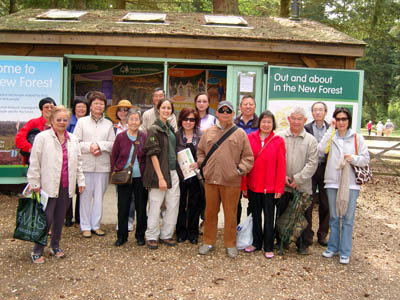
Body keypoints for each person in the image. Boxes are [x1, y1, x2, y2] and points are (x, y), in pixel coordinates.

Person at [28, 105, 85, 263]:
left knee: (60, 218)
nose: (62, 122)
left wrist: (81, 180)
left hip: (66, 185)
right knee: (45, 218)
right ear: (51, 120)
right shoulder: (42, 138)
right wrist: (34, 182)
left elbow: (79, 162)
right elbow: (34, 161)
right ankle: (37, 250)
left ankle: (55, 245)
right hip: (47, 185)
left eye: (65, 120)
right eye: (58, 120)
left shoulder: (73, 139)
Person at [197, 101, 254, 258]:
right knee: (210, 213)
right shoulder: (208, 132)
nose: (224, 114)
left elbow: (248, 157)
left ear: (232, 114)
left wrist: (239, 170)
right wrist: (204, 166)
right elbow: (200, 151)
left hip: (231, 182)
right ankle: (208, 241)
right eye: (221, 111)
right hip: (211, 181)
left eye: (228, 111)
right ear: (217, 113)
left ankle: (230, 244)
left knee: (231, 214)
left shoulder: (240, 133)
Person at [319, 107, 369, 264]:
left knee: (347, 217)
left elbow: (365, 159)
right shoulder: (331, 135)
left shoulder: (357, 138)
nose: (341, 122)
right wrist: (330, 129)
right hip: (332, 181)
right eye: (338, 119)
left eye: (344, 119)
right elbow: (320, 149)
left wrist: (352, 158)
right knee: (334, 216)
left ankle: (345, 251)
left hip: (350, 183)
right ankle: (332, 247)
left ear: (349, 121)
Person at [241, 110, 286, 259]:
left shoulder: (278, 140)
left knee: (268, 217)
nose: (266, 124)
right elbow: (245, 163)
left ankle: (268, 245)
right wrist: (244, 186)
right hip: (253, 185)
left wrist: (279, 187)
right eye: (263, 121)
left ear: (273, 124)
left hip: (270, 187)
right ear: (259, 123)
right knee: (255, 215)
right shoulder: (250, 138)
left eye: (269, 122)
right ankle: (256, 242)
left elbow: (281, 166)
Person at [74, 91, 115, 238]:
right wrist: (90, 147)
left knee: (99, 197)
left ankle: (96, 225)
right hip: (85, 166)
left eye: (101, 104)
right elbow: (75, 143)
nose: (99, 106)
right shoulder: (82, 122)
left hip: (103, 166)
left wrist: (99, 145)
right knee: (85, 196)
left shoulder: (108, 124)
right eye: (96, 103)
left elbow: (112, 144)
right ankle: (85, 226)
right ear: (90, 106)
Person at [277, 106, 318, 255]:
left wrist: (298, 179)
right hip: (283, 185)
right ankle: (282, 241)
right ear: (288, 119)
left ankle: (303, 244)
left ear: (304, 121)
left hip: (302, 186)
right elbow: (275, 159)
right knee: (282, 214)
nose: (295, 122)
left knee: (303, 216)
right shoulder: (280, 136)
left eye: (299, 119)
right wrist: (282, 177)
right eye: (293, 118)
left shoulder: (311, 141)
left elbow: (312, 163)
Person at [143, 99, 180, 250]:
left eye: (169, 108)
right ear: (158, 110)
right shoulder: (154, 129)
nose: (166, 110)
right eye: (163, 108)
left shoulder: (170, 128)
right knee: (155, 205)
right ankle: (152, 235)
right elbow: (153, 155)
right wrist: (160, 177)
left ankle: (166, 234)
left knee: (173, 204)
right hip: (159, 172)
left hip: (173, 171)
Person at [111, 108, 148, 247]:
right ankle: (122, 236)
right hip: (124, 178)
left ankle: (140, 235)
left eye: (136, 119)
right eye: (131, 119)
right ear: (127, 121)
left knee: (141, 207)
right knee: (123, 207)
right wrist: (115, 171)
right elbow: (114, 156)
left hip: (140, 178)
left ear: (140, 121)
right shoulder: (120, 137)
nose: (133, 122)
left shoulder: (144, 136)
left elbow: (147, 157)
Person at [303, 102, 330, 247]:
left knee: (326, 202)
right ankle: (307, 235)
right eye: (315, 110)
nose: (318, 112)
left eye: (320, 110)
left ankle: (323, 234)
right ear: (312, 113)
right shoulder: (306, 128)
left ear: (325, 112)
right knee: (308, 201)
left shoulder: (332, 128)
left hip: (326, 168)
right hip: (310, 168)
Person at [107, 99, 136, 231]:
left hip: (134, 166)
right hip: (120, 166)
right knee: (121, 196)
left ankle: (130, 220)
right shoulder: (113, 128)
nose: (123, 112)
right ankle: (122, 220)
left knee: (133, 197)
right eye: (121, 110)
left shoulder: (138, 127)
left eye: (126, 110)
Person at [175, 107, 203, 245]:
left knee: (195, 204)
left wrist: (199, 163)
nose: (188, 122)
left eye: (192, 119)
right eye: (185, 119)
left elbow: (206, 154)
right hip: (180, 175)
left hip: (196, 175)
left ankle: (193, 232)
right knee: (180, 204)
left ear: (196, 121)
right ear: (181, 120)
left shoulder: (201, 136)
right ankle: (180, 232)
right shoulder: (175, 136)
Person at [234, 95, 259, 224]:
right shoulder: (234, 124)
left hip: (255, 166)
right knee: (235, 200)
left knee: (253, 200)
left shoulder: (260, 123)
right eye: (245, 104)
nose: (248, 107)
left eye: (251, 104)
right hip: (237, 166)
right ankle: (235, 230)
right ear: (240, 107)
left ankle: (250, 231)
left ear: (255, 106)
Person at [65, 96, 89, 227]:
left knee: (81, 189)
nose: (81, 109)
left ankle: (79, 216)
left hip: (84, 160)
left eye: (83, 107)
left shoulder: (88, 122)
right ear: (74, 108)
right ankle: (68, 216)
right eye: (78, 106)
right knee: (69, 188)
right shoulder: (68, 122)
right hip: (69, 159)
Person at [15, 97, 57, 164]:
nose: (49, 109)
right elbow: (19, 138)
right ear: (41, 110)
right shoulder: (33, 122)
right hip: (35, 161)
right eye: (46, 107)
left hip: (54, 161)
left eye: (51, 107)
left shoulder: (58, 124)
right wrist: (31, 149)